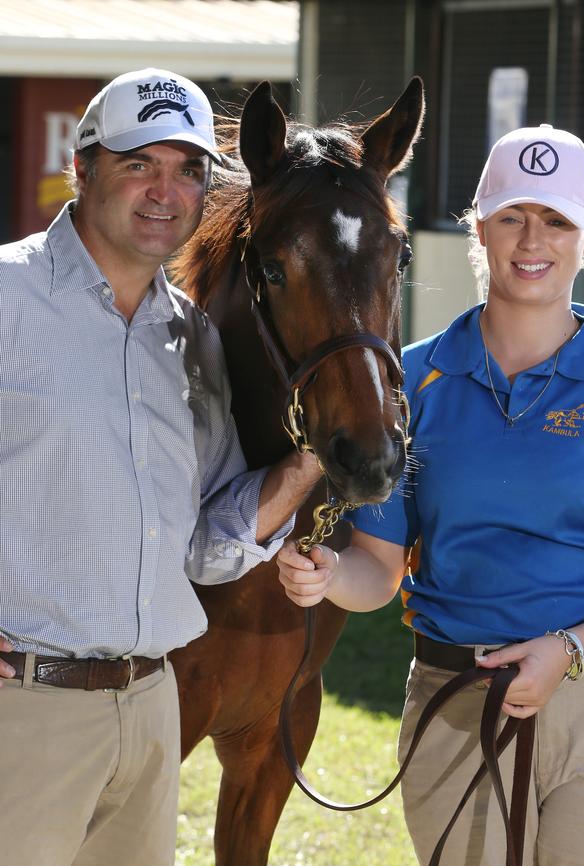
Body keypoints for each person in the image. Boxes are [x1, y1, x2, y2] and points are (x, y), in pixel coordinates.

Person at [278, 124, 584, 866]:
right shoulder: (410, 381)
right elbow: (379, 568)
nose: (530, 239)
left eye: (556, 220)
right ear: (477, 228)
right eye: (511, 215)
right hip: (454, 702)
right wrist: (325, 578)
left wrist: (567, 650)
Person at [0, 68, 321, 866]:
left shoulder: (194, 340)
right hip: (24, 707)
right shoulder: (7, 297)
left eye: (187, 169)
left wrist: (315, 455)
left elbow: (208, 541)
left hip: (150, 708)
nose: (164, 190)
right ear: (84, 169)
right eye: (139, 162)